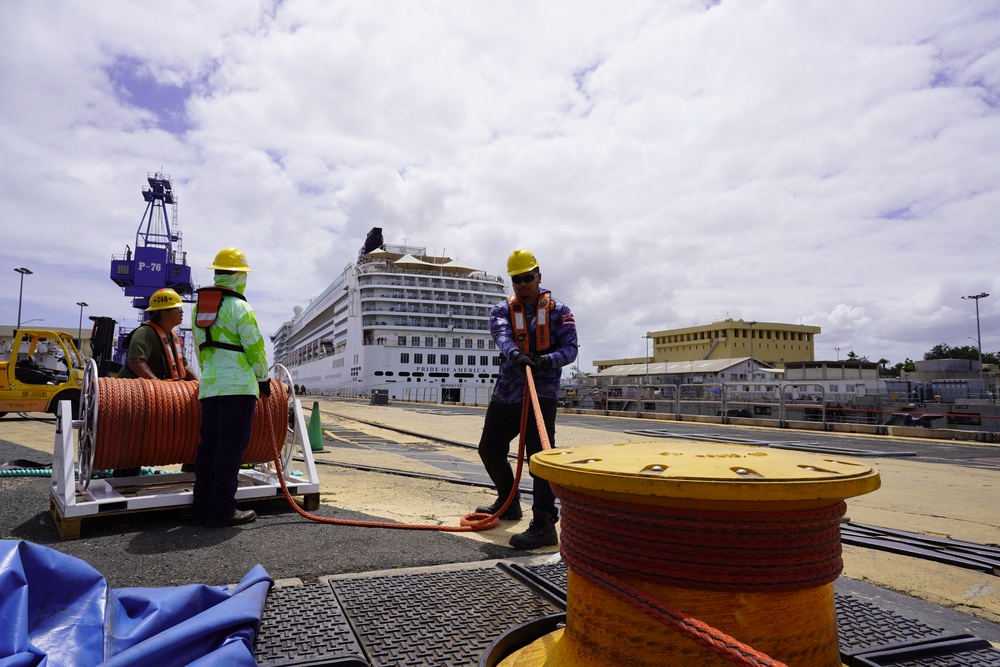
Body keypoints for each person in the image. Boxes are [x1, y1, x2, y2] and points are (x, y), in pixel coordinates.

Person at [475, 248, 578, 549]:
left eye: (527, 278)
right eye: (516, 280)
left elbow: (571, 350)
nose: (522, 285)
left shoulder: (560, 312)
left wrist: (547, 361)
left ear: (538, 276)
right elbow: (503, 337)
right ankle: (508, 502)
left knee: (540, 458)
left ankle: (545, 523)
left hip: (540, 393)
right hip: (507, 392)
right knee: (490, 449)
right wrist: (517, 355)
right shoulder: (501, 310)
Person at [191, 248, 270, 528]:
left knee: (208, 448)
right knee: (229, 450)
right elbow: (255, 349)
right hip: (238, 388)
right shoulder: (241, 308)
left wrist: (211, 376)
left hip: (210, 388)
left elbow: (201, 351)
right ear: (238, 276)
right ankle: (223, 510)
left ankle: (201, 507)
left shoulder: (200, 308)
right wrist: (263, 379)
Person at [115, 288, 198, 477]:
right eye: (177, 308)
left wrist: (198, 385)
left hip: (154, 398)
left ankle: (189, 476)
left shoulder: (173, 337)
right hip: (131, 401)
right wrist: (159, 388)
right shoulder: (145, 333)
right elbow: (136, 362)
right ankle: (125, 487)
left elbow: (184, 367)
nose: (182, 312)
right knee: (132, 449)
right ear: (164, 313)